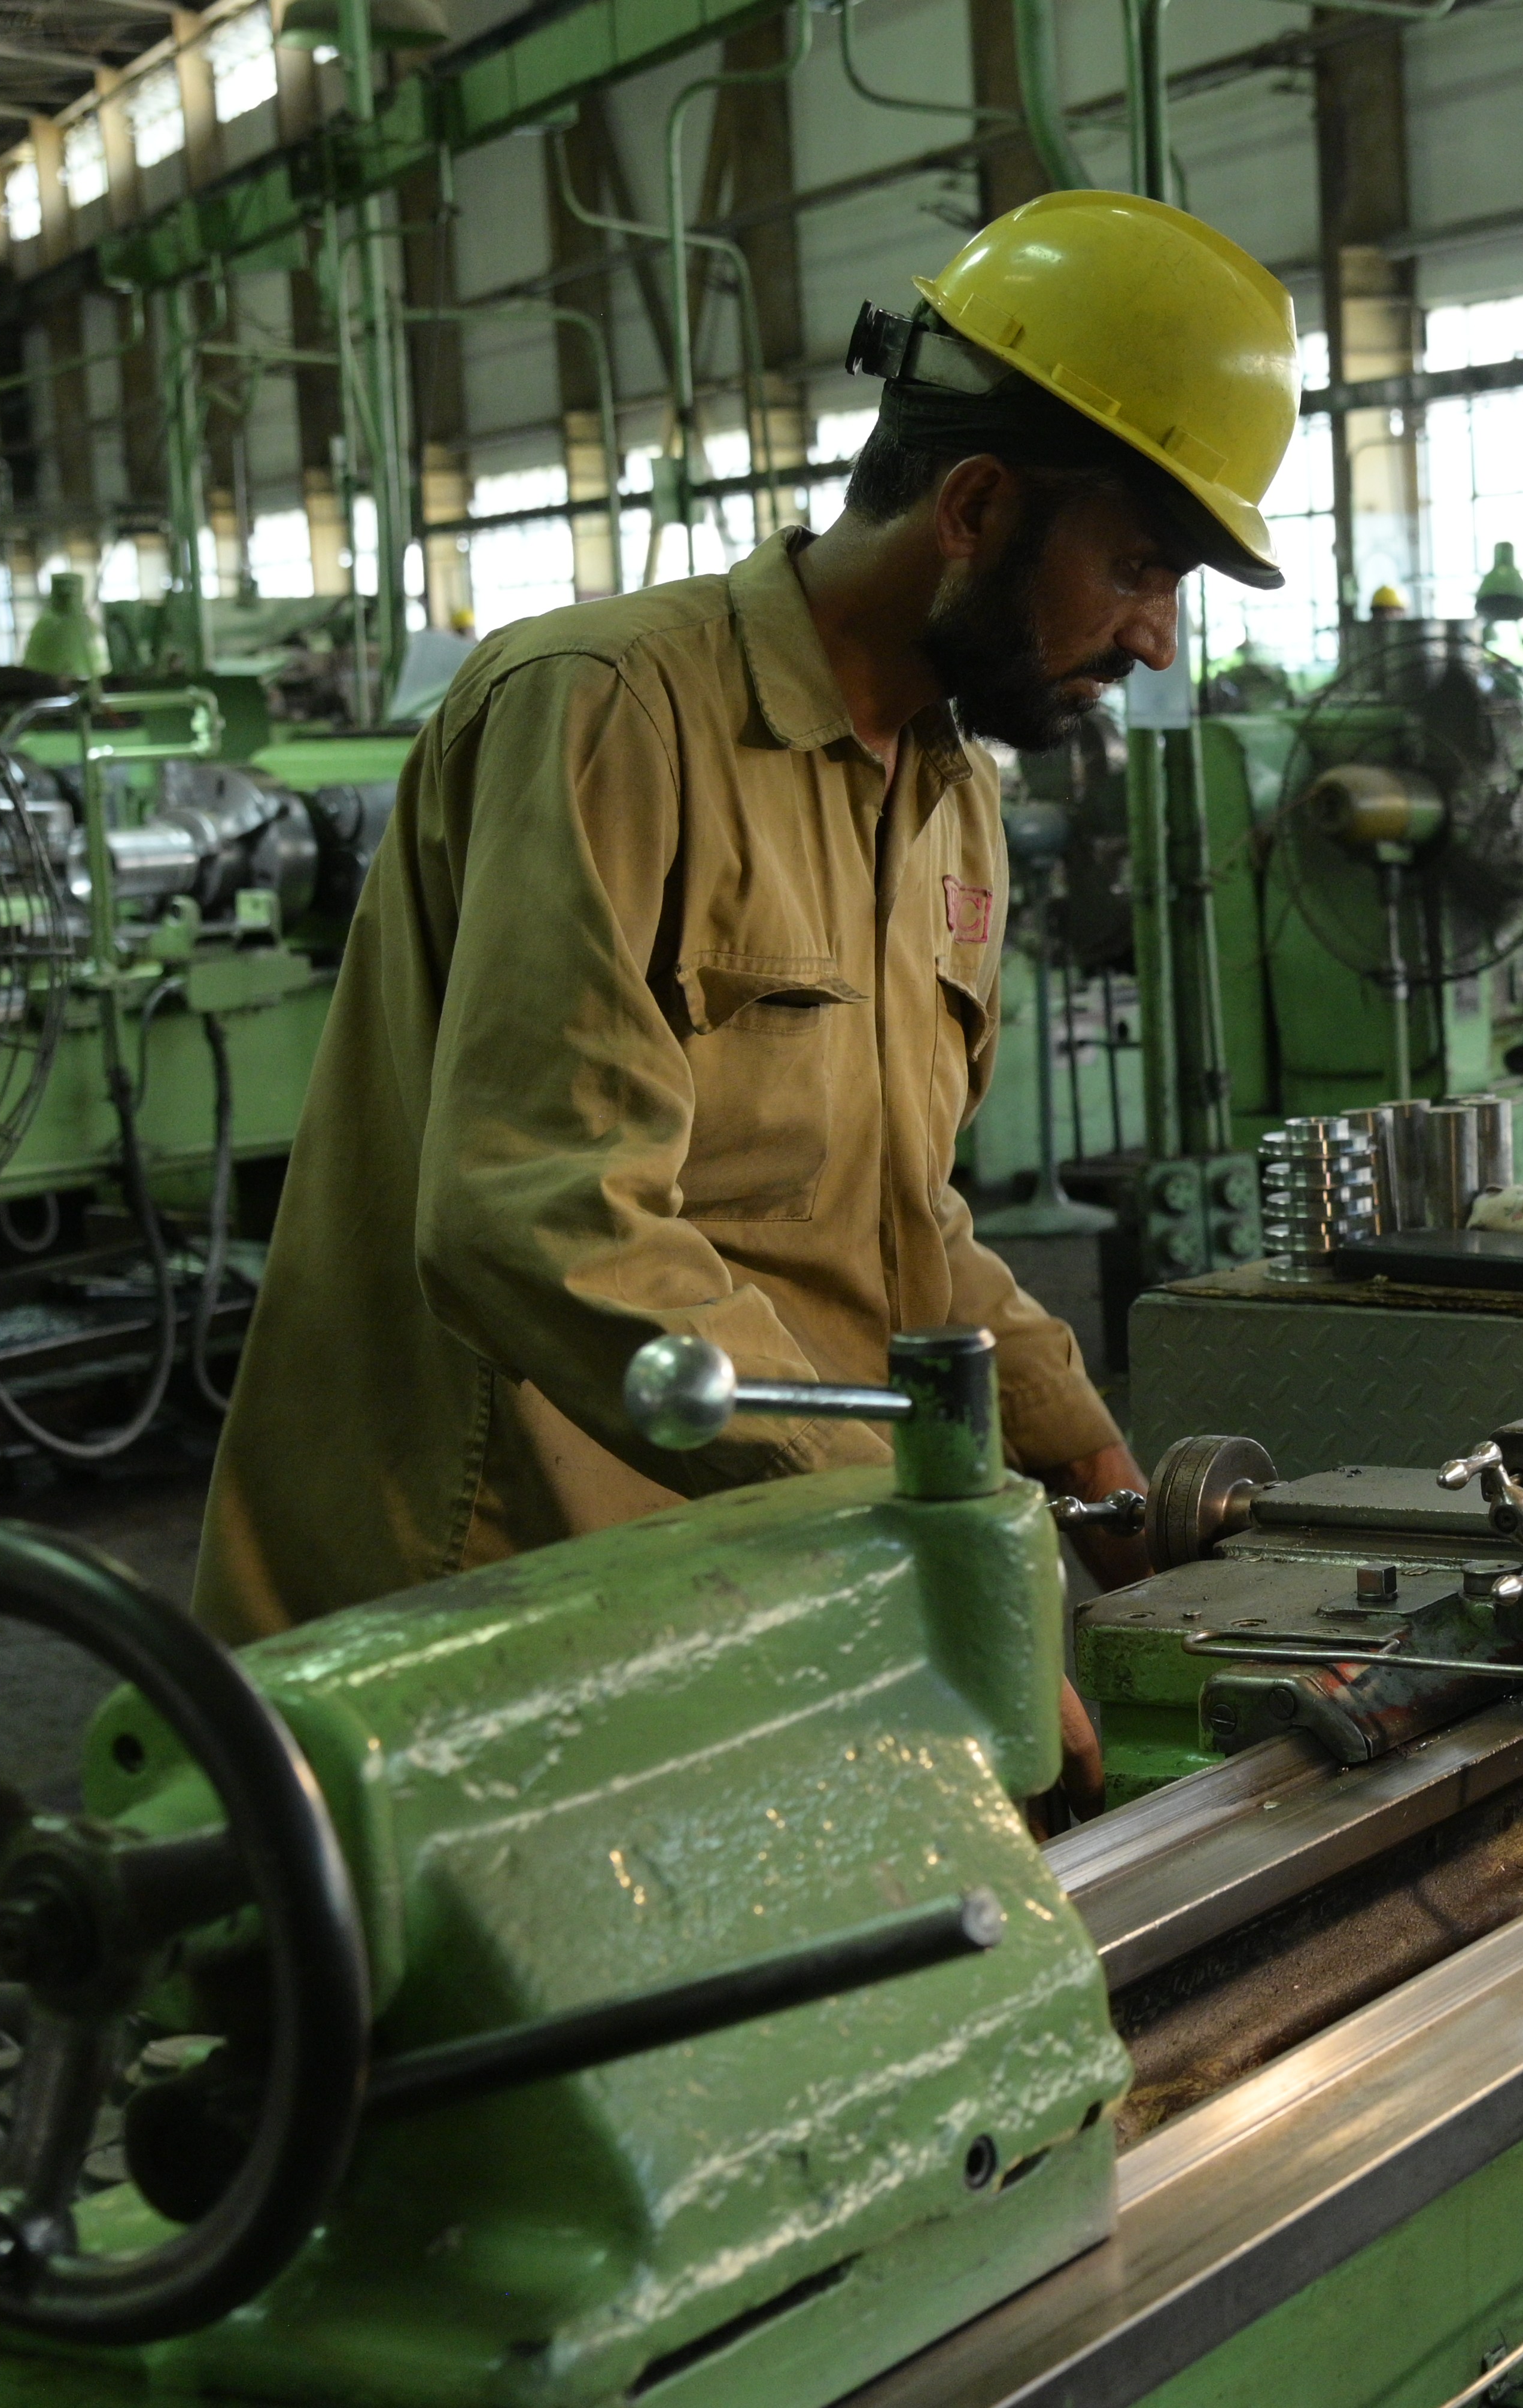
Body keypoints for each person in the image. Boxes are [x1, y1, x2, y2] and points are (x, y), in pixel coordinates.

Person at [193, 191, 1302, 1817]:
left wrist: (1080, 1449)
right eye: (1140, 565)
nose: (1153, 636)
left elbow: (890, 1219)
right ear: (978, 505)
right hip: (473, 1642)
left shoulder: (947, 800)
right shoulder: (606, 714)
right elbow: (532, 1220)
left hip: (739, 1605)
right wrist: (924, 1534)